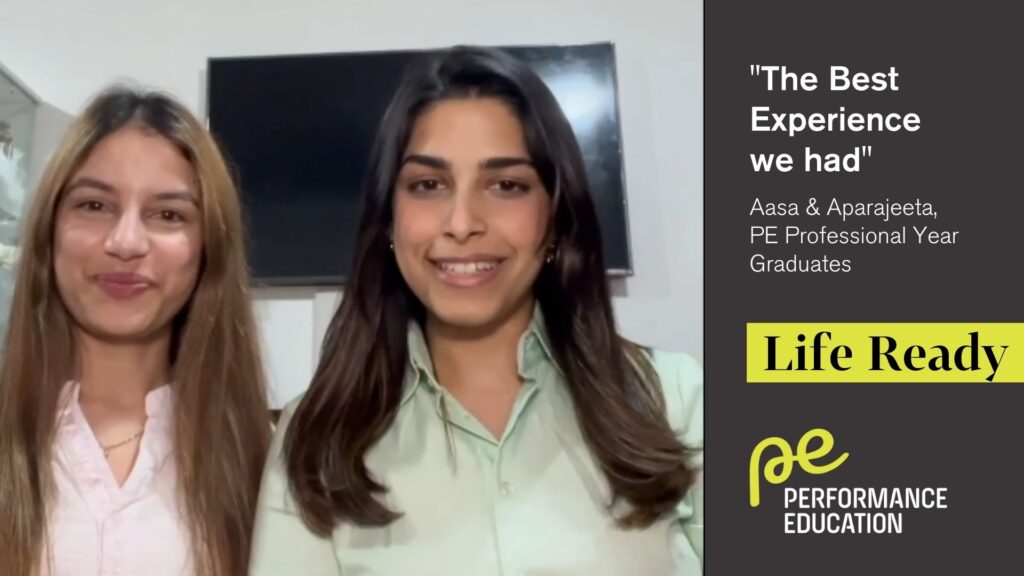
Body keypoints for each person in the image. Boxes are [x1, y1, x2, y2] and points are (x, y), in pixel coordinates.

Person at [251, 46, 703, 575]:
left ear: (556, 218)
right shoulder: (315, 438)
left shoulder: (674, 399)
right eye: (428, 185)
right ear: (389, 218)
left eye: (506, 186)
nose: (462, 223)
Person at [0, 87, 271, 575]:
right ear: (49, 231)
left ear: (208, 249)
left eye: (168, 215)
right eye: (95, 206)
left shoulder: (264, 460)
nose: (126, 242)